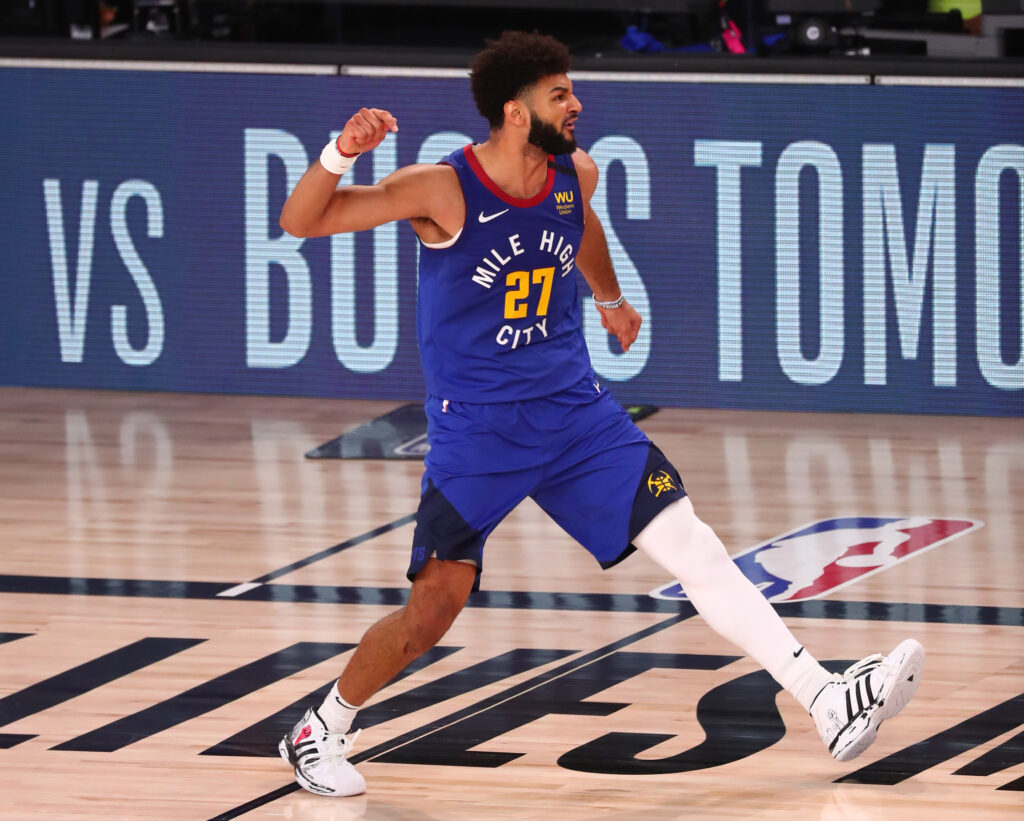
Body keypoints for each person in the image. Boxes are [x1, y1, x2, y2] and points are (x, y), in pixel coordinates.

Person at [277, 30, 924, 798]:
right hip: (481, 430)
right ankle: (320, 727)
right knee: (431, 612)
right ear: (516, 113)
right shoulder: (442, 189)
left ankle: (825, 697)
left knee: (695, 545)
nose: (577, 103)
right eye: (561, 94)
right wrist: (339, 152)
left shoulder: (574, 172)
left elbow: (580, 226)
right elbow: (302, 221)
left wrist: (610, 299)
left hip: (575, 412)